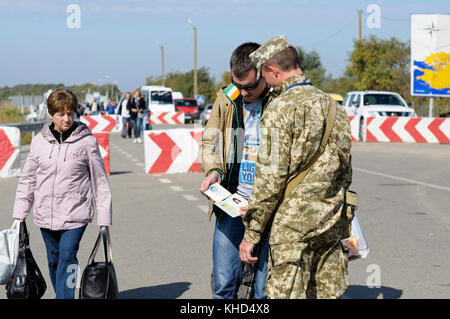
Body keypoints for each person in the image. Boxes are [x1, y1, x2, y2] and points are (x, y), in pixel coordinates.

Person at [238, 35, 353, 299]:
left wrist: (251, 234)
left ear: (272, 71)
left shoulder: (279, 110)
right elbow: (345, 171)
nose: (265, 84)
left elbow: (270, 179)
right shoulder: (334, 107)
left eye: (265, 78)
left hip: (292, 230)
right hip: (330, 222)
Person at [12, 88, 113, 299]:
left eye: (70, 113)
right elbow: (28, 179)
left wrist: (104, 218)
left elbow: (99, 180)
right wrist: (20, 212)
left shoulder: (87, 142)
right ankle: (63, 294)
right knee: (54, 260)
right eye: (61, 114)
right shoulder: (39, 142)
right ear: (51, 114)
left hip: (75, 213)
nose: (66, 119)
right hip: (45, 215)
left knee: (68, 256)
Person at [199, 42, 269, 299]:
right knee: (224, 284)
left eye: (250, 86)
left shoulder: (280, 102)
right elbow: (210, 141)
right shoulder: (227, 99)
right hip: (232, 203)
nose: (243, 92)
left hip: (268, 208)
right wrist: (214, 170)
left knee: (264, 290)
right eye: (238, 85)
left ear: (266, 74)